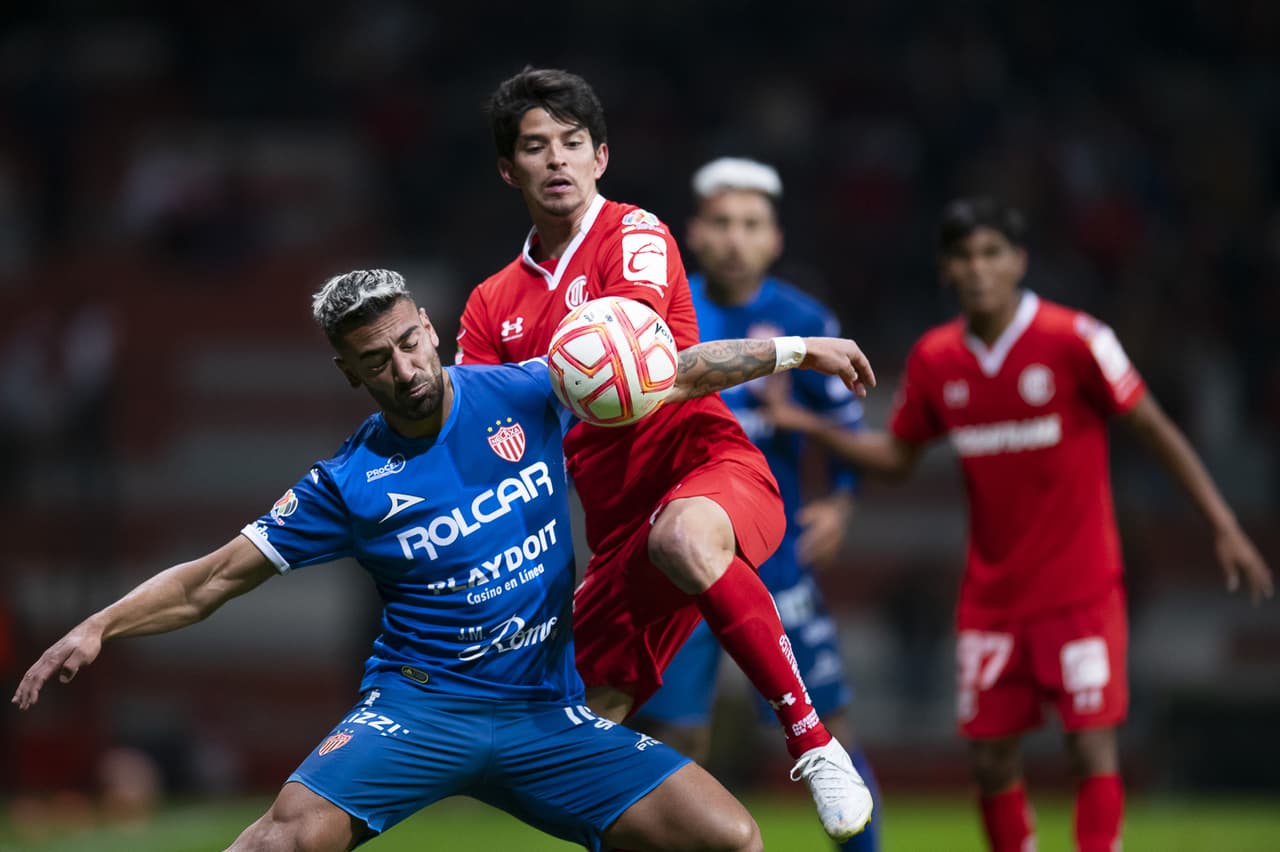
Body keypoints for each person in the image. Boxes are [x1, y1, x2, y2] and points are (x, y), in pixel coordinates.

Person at [11, 268, 878, 852]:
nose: (403, 368)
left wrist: (796, 352)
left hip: (546, 711)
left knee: (730, 839)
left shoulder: (523, 388)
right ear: (350, 373)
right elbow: (208, 581)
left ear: (429, 330)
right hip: (420, 715)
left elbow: (672, 372)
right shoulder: (346, 482)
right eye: (375, 360)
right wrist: (100, 625)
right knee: (287, 839)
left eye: (408, 344)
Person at [762, 198, 1275, 852]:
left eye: (992, 254)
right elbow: (895, 458)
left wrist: (1223, 524)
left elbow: (1154, 428)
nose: (979, 269)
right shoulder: (937, 359)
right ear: (947, 269)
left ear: (1019, 261)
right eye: (965, 257)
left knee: (1090, 749)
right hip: (993, 598)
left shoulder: (1076, 339)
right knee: (989, 762)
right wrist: (809, 425)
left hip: (1081, 588)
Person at [456, 66, 874, 841]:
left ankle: (812, 743)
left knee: (682, 535)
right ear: (508, 170)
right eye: (536, 147)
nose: (556, 160)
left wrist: (794, 349)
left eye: (572, 144)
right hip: (617, 533)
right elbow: (489, 443)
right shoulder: (490, 305)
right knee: (573, 737)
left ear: (599, 158)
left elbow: (652, 371)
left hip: (708, 470)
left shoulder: (634, 236)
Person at [630, 157, 881, 852]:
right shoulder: (669, 319)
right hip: (683, 566)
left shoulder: (806, 318)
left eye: (751, 225)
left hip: (780, 567)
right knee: (675, 741)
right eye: (722, 223)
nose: (736, 238)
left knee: (834, 735)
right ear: (695, 234)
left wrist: (842, 504)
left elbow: (851, 427)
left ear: (773, 239)